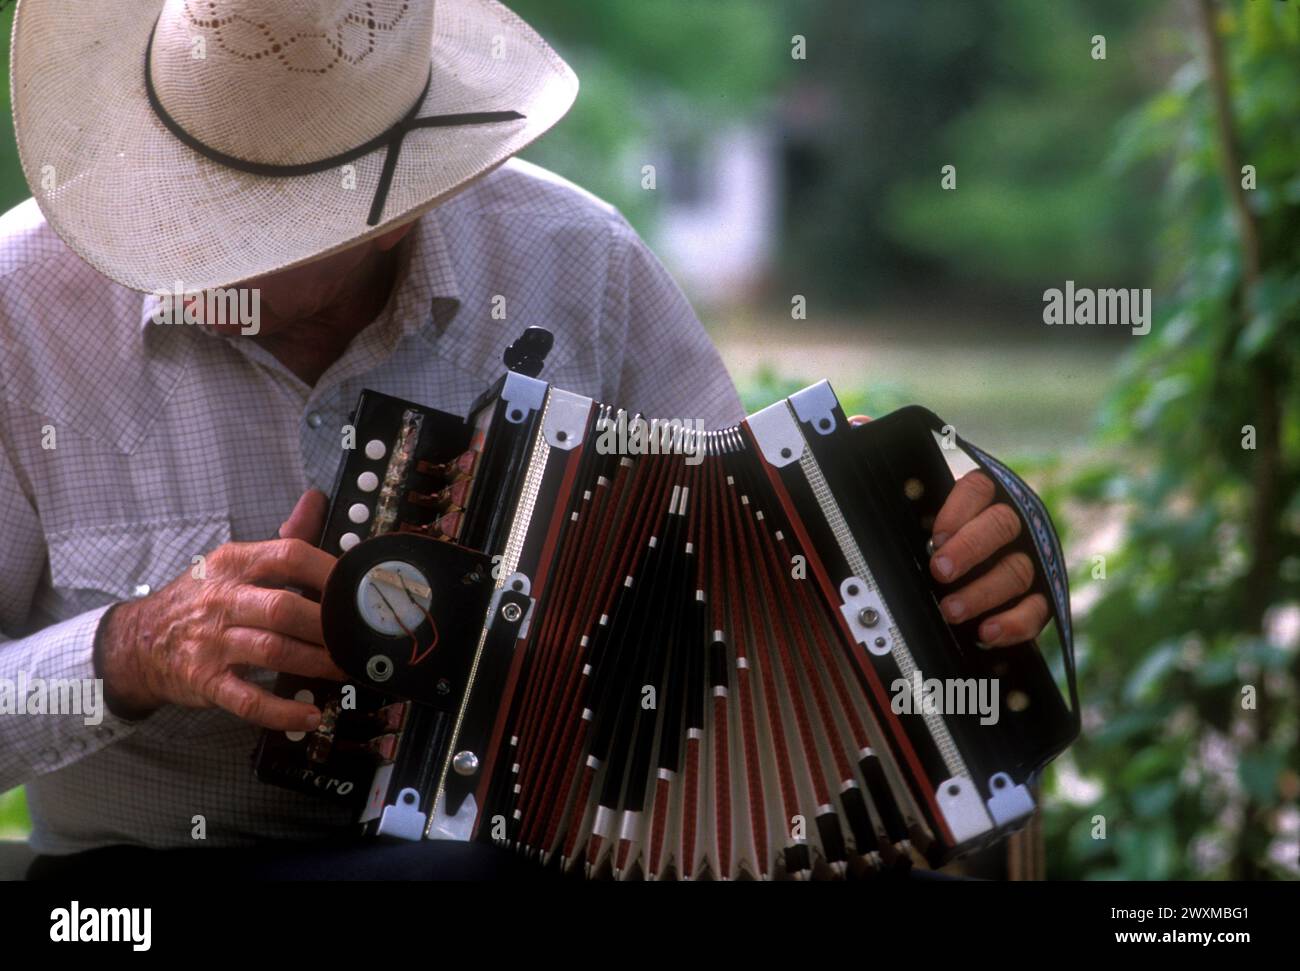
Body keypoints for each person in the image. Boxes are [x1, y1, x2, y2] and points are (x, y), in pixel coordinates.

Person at [0, 0, 1050, 879]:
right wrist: (136, 646)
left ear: (402, 189)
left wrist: (966, 531)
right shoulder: (19, 308)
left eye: (279, 216)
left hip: (550, 857)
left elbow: (772, 552)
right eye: (209, 205)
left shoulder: (576, 259)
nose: (226, 250)